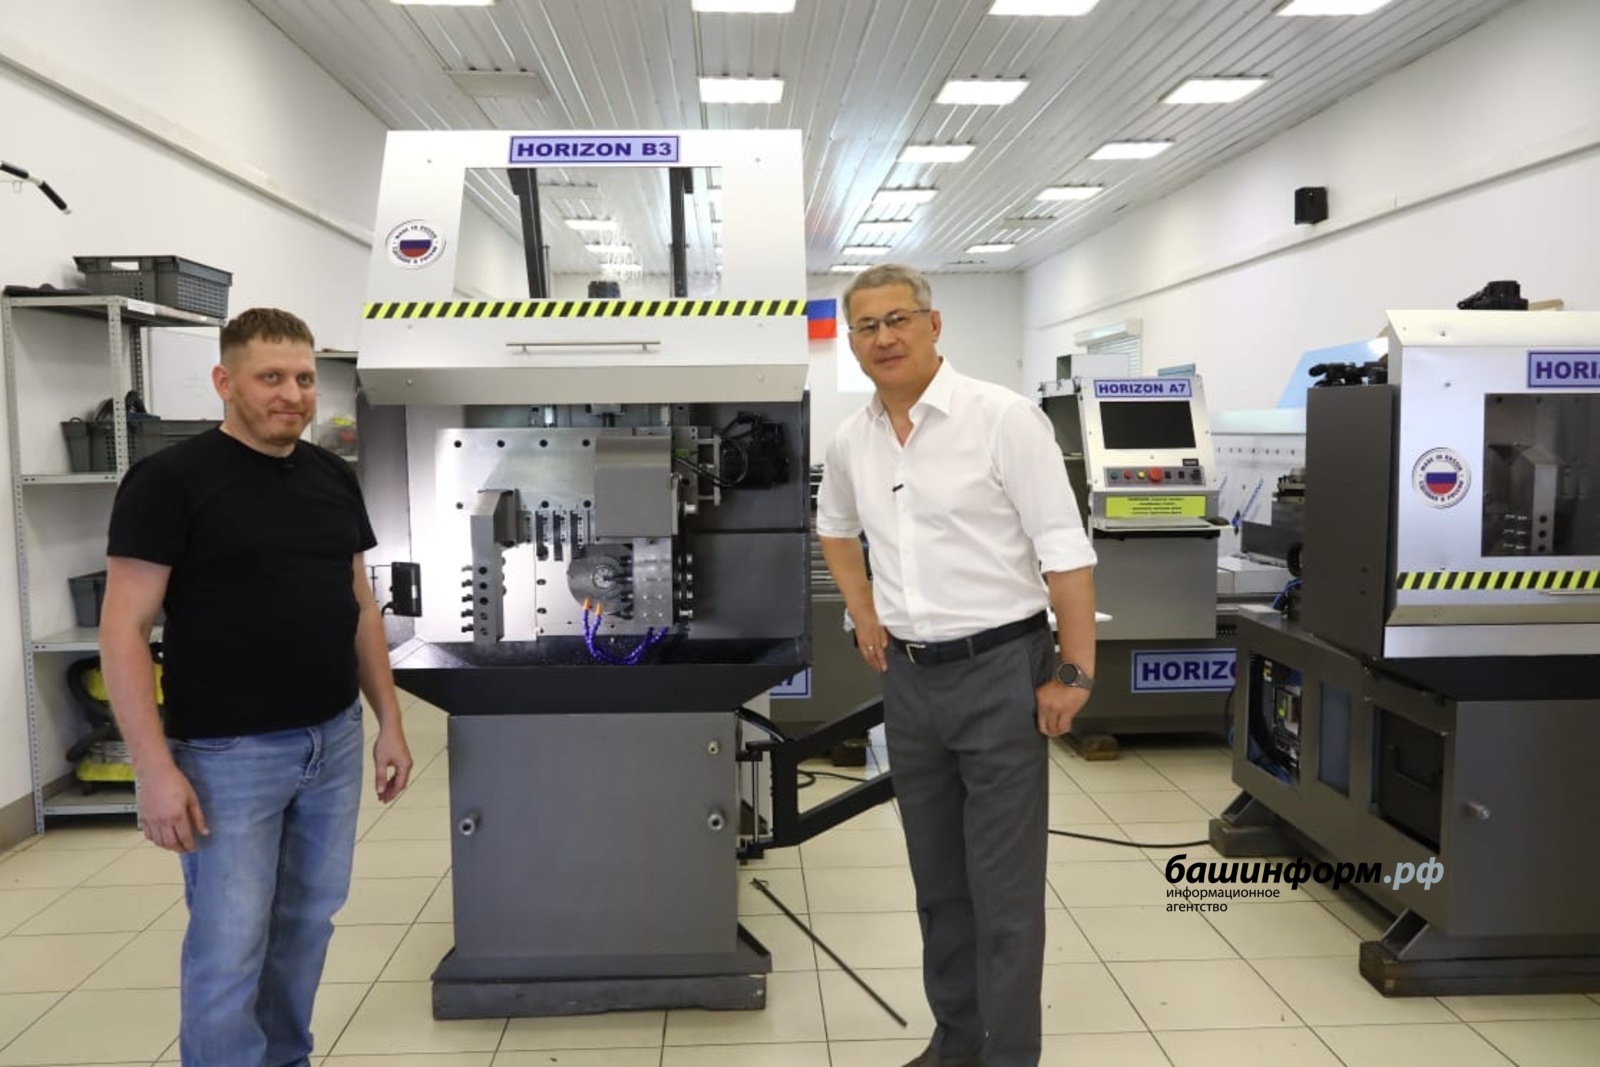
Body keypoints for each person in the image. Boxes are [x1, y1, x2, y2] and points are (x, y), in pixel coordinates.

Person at [99, 307, 413, 1067]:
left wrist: (389, 721)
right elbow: (123, 630)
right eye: (270, 377)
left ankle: (285, 1058)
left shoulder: (332, 477)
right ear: (225, 381)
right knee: (230, 944)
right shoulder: (170, 482)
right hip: (227, 753)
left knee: (306, 923)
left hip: (331, 740)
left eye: (303, 378)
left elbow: (359, 604)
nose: (292, 395)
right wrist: (153, 769)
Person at [816, 264, 1097, 1067]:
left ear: (933, 325)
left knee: (1003, 891)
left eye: (898, 319)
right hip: (910, 682)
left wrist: (1074, 671)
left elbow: (1065, 552)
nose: (884, 338)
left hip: (1001, 672)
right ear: (852, 342)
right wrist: (864, 611)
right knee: (939, 885)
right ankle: (956, 1041)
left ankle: (1007, 1055)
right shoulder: (853, 439)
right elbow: (835, 528)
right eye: (867, 326)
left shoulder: (1002, 419)